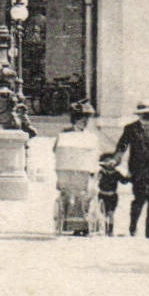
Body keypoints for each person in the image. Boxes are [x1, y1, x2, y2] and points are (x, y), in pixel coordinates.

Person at [113, 100, 149, 239]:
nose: (146, 116)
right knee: (139, 200)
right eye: (143, 114)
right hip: (138, 171)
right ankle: (133, 226)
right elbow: (122, 146)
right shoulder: (130, 129)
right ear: (139, 115)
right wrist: (115, 160)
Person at [52, 100, 100, 236]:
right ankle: (68, 223)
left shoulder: (90, 136)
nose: (84, 122)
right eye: (81, 119)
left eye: (86, 120)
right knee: (69, 195)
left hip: (84, 171)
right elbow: (57, 150)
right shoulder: (65, 134)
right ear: (75, 120)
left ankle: (84, 224)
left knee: (86, 195)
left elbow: (95, 153)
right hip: (68, 171)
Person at [97, 153, 130, 238]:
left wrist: (129, 176)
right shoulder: (101, 172)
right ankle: (105, 229)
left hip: (112, 195)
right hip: (102, 194)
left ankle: (110, 230)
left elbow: (124, 181)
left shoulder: (116, 173)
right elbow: (96, 180)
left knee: (111, 213)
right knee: (104, 213)